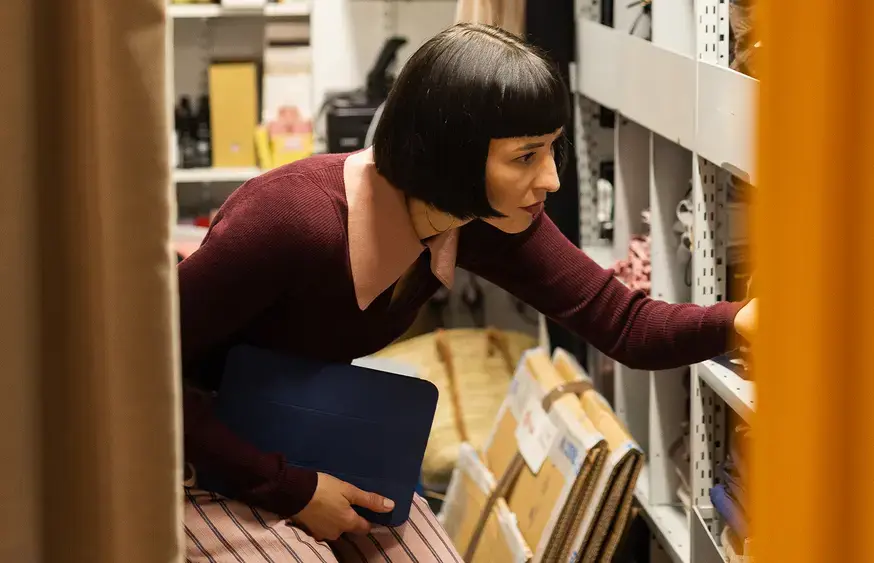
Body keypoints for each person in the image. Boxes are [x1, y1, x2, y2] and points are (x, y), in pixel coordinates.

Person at [180, 23, 757, 563]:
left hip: (301, 433)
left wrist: (742, 320)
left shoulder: (476, 216)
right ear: (450, 155)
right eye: (525, 157)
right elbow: (138, 377)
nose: (551, 179)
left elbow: (622, 323)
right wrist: (291, 489)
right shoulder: (290, 218)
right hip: (190, 452)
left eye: (552, 150)